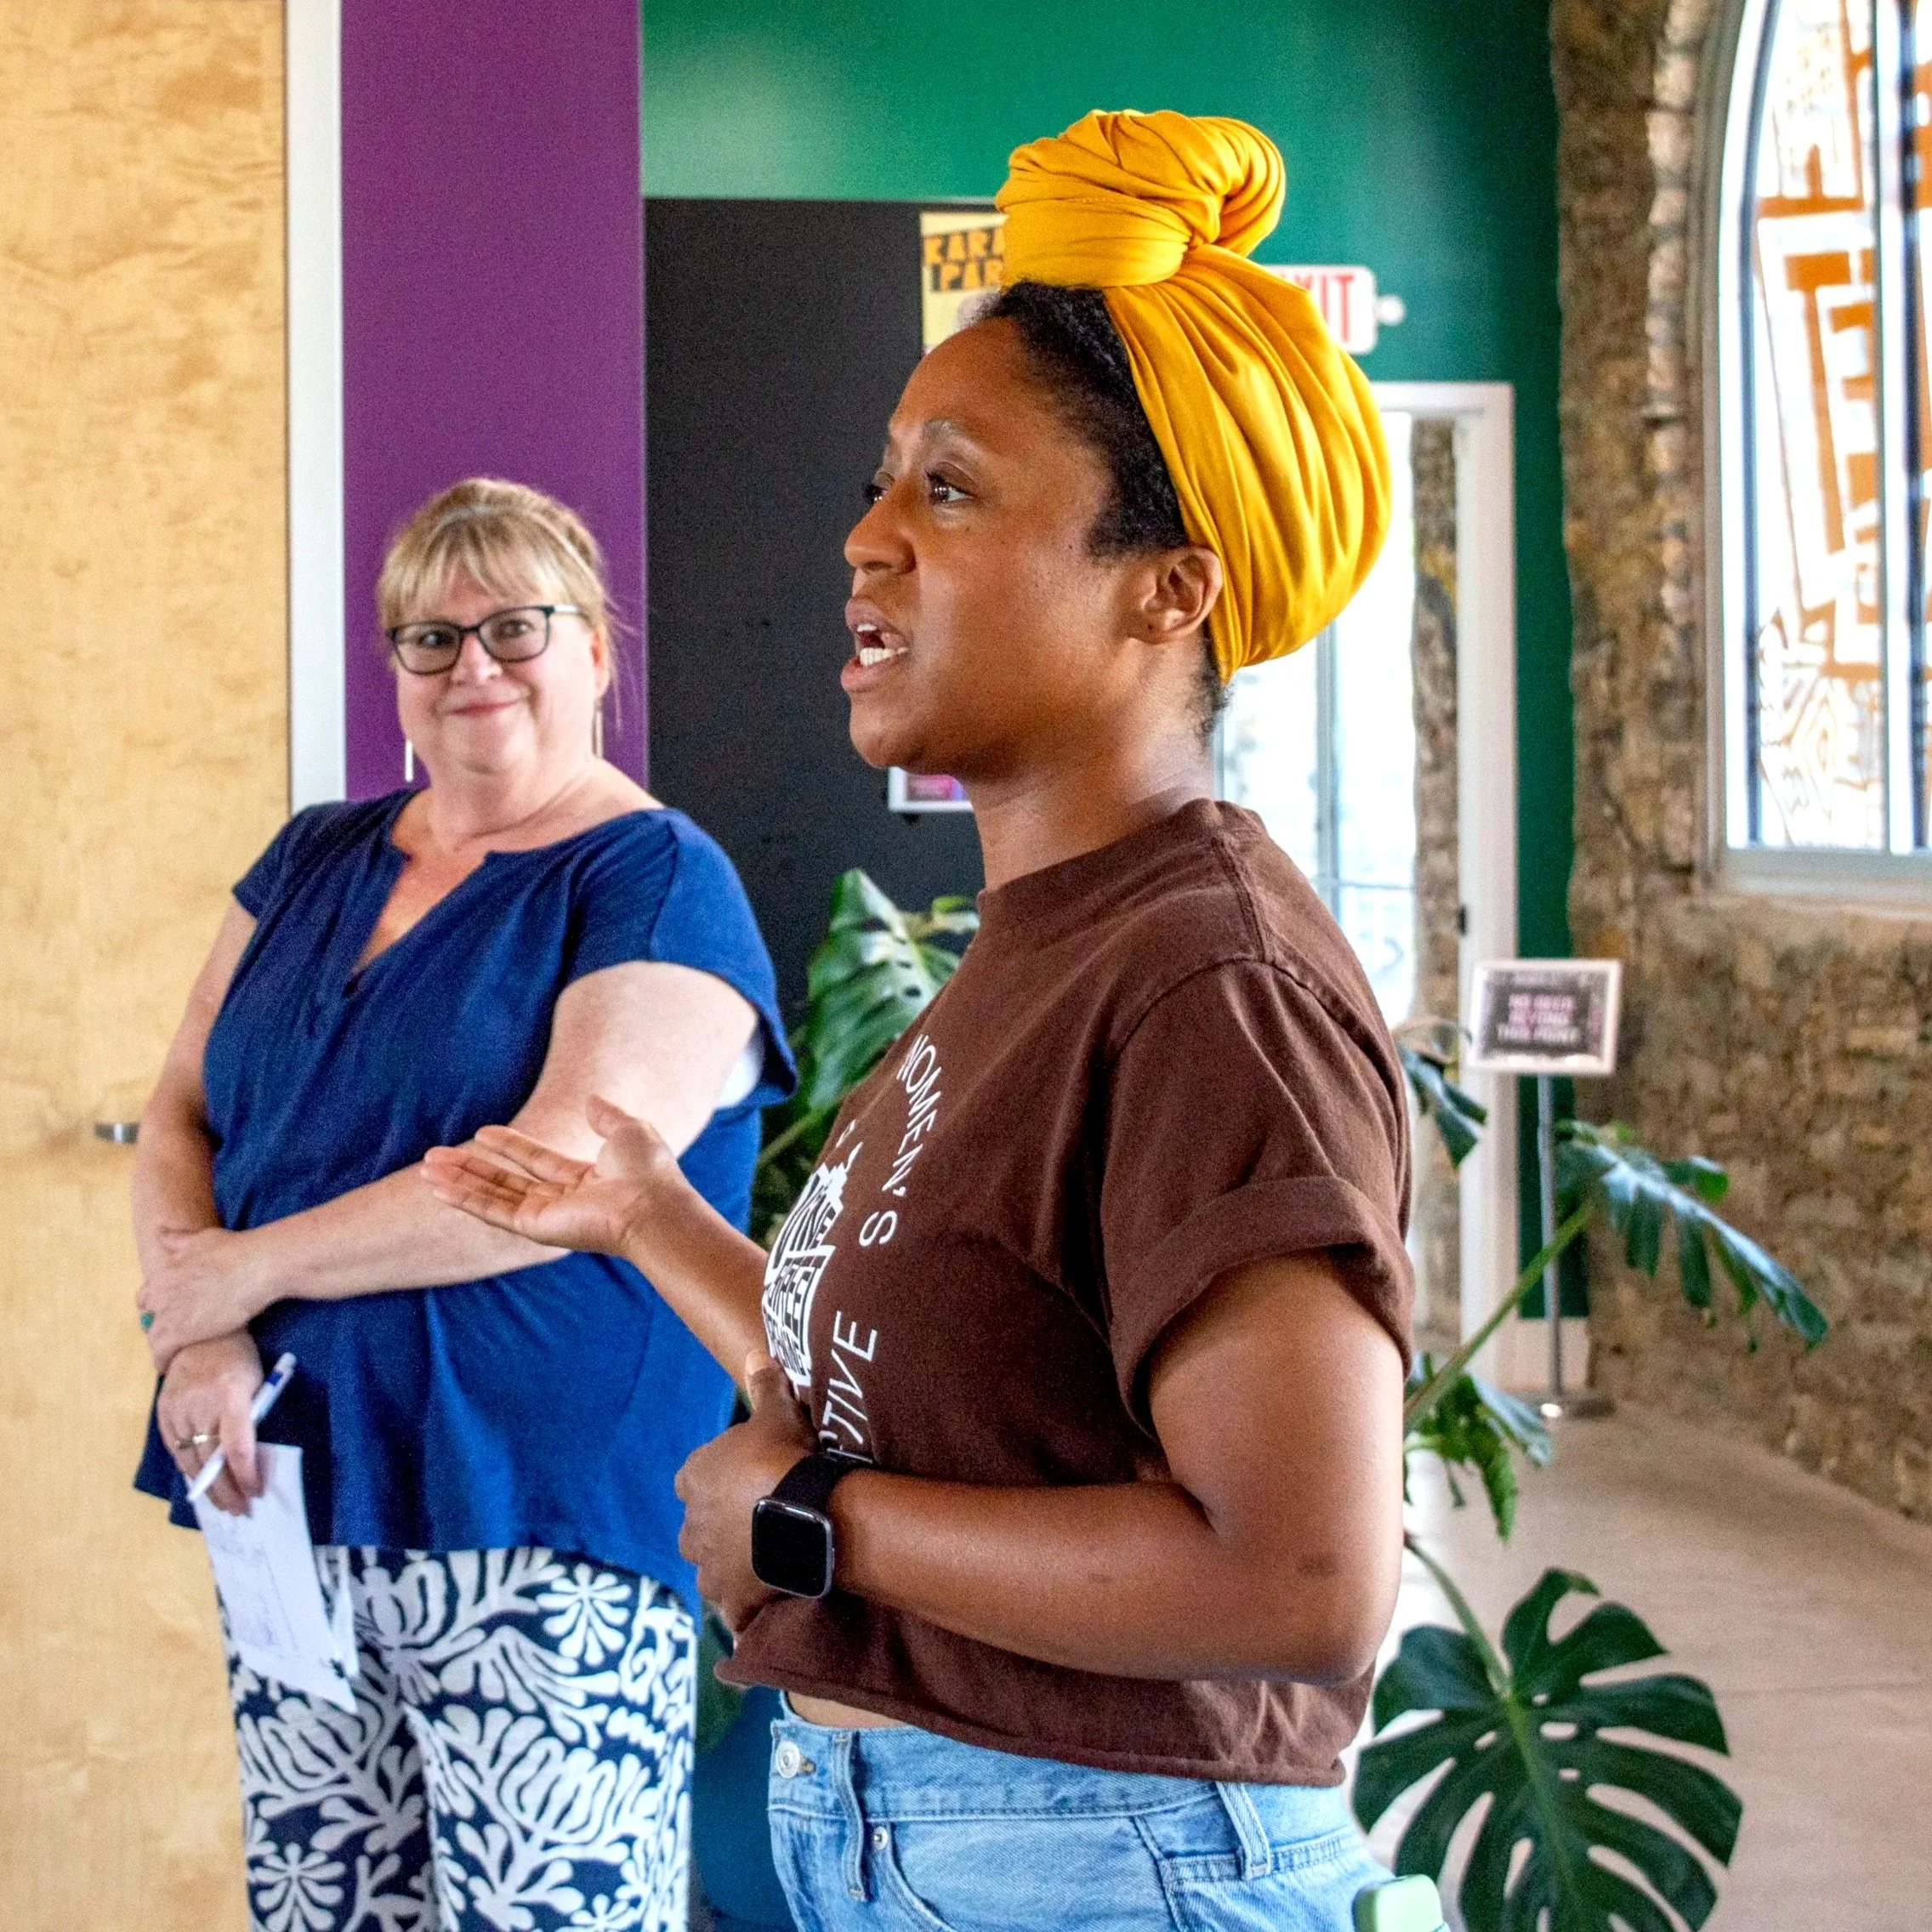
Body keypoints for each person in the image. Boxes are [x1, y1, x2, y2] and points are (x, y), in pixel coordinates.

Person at [428, 112, 1409, 1930]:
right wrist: (643, 1211)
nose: (865, 538)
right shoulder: (1047, 938)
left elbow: (1301, 1570)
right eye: (884, 480)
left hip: (1101, 1864)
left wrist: (816, 1528)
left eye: (946, 490)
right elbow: (934, 1393)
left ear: (1165, 583)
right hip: (939, 1842)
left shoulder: (1208, 983)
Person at [132, 479, 793, 1932]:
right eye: (428, 639)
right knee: (325, 1913)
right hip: (294, 1492)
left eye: (514, 626)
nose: (471, 666)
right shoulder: (313, 858)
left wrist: (238, 1276)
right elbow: (182, 1109)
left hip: (539, 1509)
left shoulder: (658, 878)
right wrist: (200, 1338)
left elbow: (551, 1184)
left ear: (600, 652)